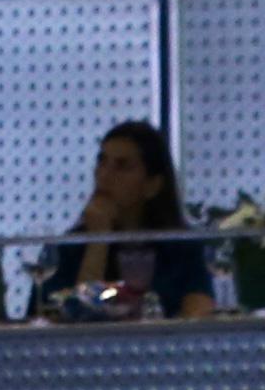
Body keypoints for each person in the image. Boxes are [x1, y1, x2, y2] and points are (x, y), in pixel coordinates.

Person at [50, 120, 212, 312]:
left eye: (122, 166)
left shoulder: (181, 249)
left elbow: (198, 315)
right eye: (102, 162)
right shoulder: (70, 248)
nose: (105, 175)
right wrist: (98, 241)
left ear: (152, 185)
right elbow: (68, 318)